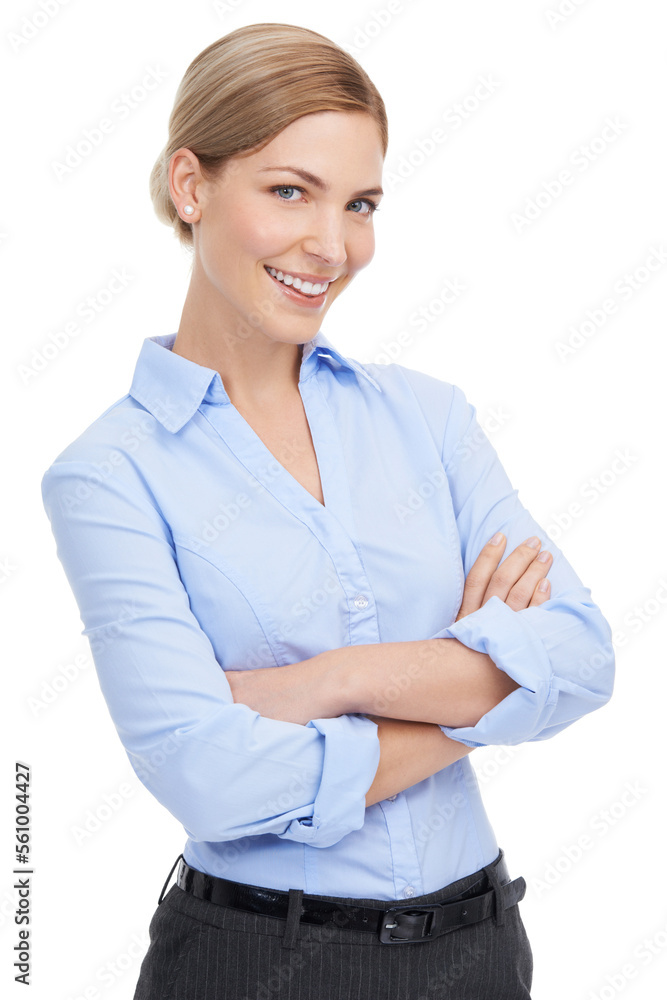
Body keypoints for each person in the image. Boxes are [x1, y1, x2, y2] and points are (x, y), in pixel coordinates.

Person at [40, 22, 615, 1000]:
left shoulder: (427, 419)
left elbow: (584, 653)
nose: (332, 244)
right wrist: (483, 689)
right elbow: (209, 777)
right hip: (254, 962)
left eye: (360, 204)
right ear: (191, 186)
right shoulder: (109, 473)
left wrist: (324, 681)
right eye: (288, 191)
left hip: (478, 949)